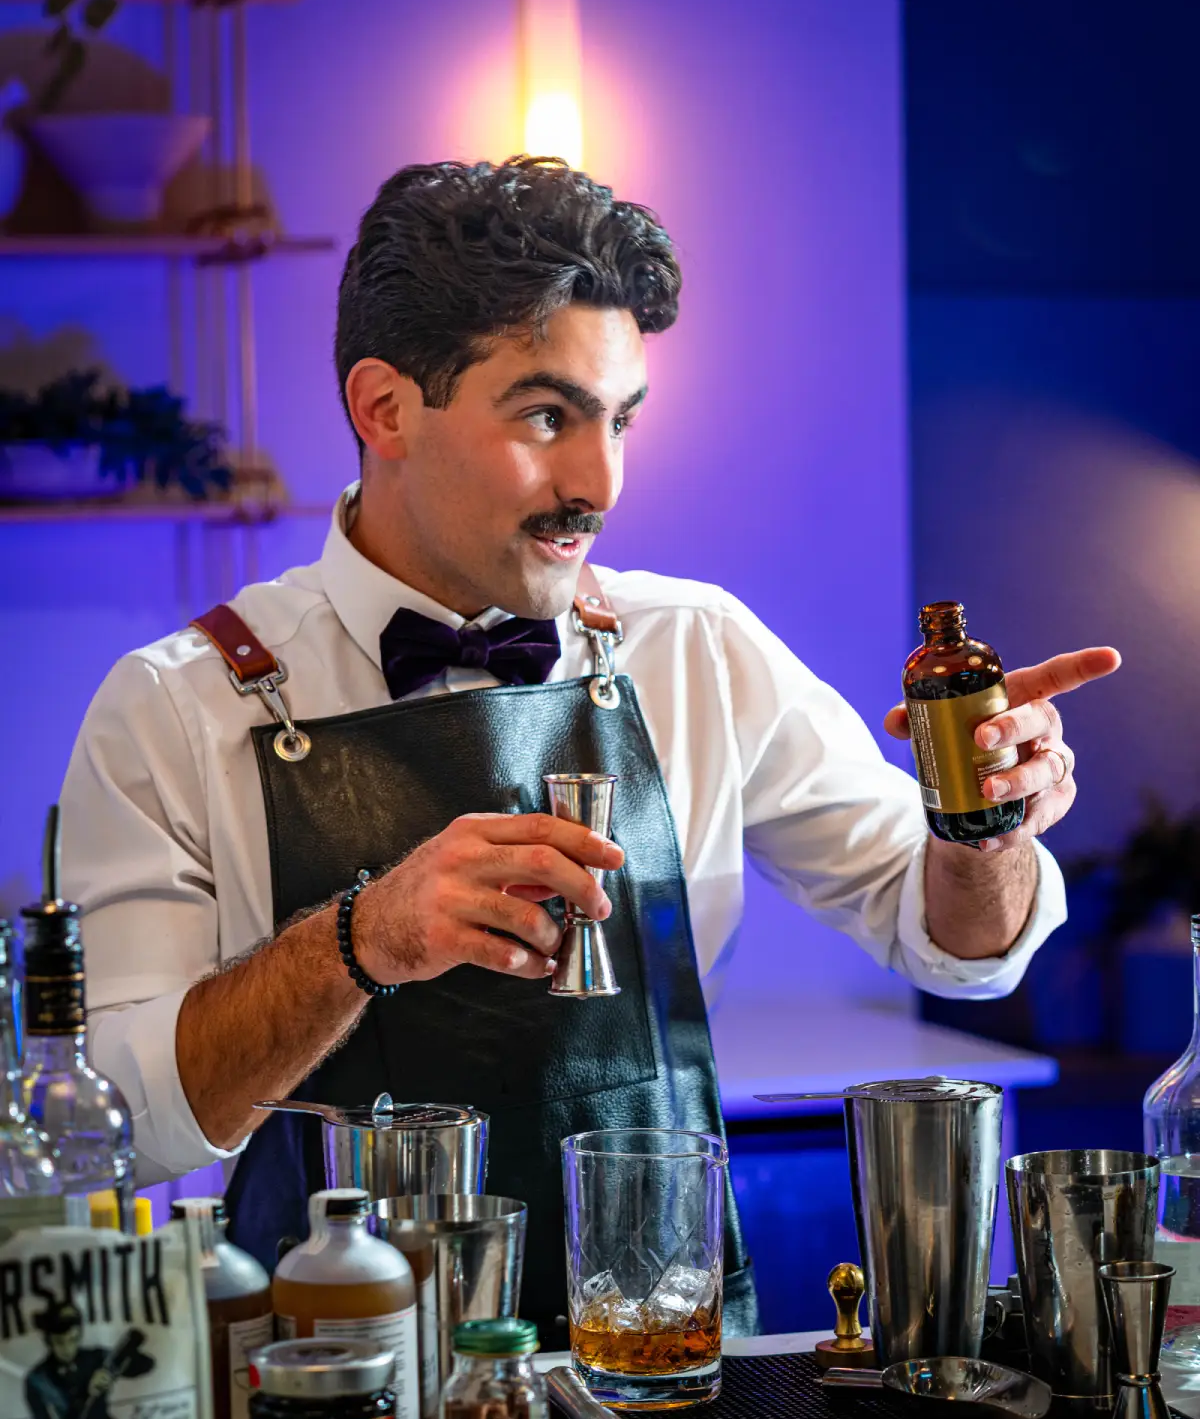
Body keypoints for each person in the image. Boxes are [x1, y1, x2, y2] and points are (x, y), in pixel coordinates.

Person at [59, 158, 1118, 1341]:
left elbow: (959, 951)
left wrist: (982, 831)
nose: (598, 483)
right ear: (385, 408)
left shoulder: (698, 646)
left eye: (620, 420)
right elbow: (116, 1123)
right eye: (545, 416)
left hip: (669, 1355)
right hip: (333, 1383)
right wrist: (364, 937)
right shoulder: (175, 708)